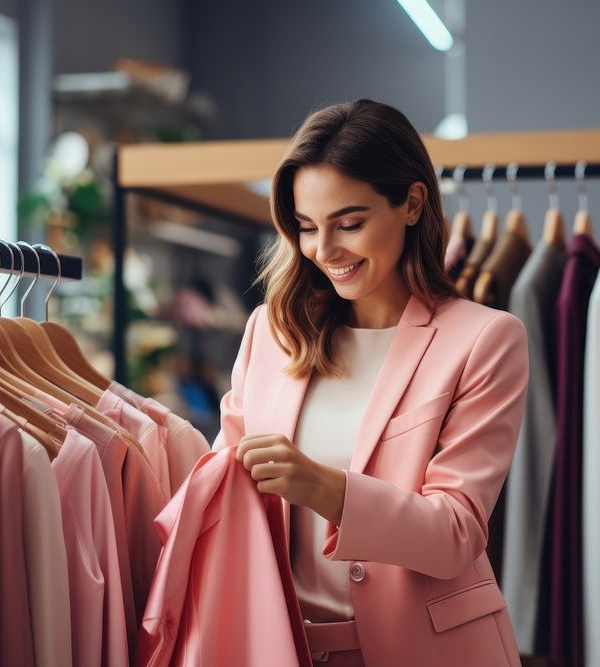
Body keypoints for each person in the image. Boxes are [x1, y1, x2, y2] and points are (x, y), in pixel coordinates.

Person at [213, 99, 529, 667]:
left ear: (412, 203)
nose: (325, 251)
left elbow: (457, 533)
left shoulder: (485, 339)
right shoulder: (272, 331)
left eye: (349, 224)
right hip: (281, 647)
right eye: (307, 228)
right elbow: (222, 483)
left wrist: (326, 489)